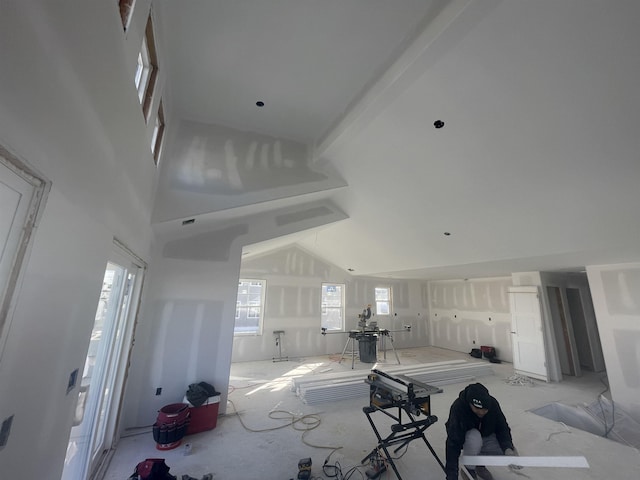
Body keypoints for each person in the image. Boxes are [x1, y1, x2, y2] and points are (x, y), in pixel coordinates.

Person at [444, 383, 519, 480]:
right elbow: (453, 443)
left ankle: (479, 465)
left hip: (486, 436)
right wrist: (451, 476)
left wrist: (508, 448)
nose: (482, 412)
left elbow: (502, 428)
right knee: (474, 437)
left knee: (510, 450)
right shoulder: (459, 408)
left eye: (485, 410)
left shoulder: (493, 404)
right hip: (467, 439)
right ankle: (469, 468)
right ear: (470, 403)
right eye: (478, 409)